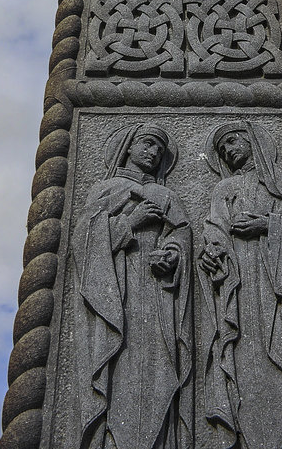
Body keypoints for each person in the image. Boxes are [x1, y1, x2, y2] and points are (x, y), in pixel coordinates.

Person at [198, 122, 282, 449]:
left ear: (251, 139)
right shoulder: (223, 190)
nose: (229, 150)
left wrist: (266, 225)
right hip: (239, 289)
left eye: (233, 141)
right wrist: (211, 255)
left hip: (277, 287)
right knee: (246, 363)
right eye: (223, 148)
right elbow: (213, 231)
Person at [73, 125, 193, 449]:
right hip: (117, 292)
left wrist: (171, 255)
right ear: (128, 146)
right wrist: (130, 222)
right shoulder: (106, 188)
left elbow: (181, 235)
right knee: (120, 364)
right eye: (148, 144)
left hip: (156, 296)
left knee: (158, 370)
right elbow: (83, 241)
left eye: (159, 150)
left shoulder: (168, 197)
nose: (153, 153)